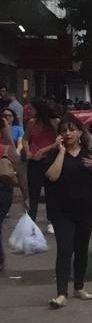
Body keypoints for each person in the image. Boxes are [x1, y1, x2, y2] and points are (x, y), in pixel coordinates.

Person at [44, 117, 92, 309]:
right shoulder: (54, 153)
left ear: (80, 133)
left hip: (85, 210)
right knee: (65, 250)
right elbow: (52, 176)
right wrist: (61, 152)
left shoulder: (90, 154)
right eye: (64, 130)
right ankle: (61, 294)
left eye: (72, 130)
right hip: (61, 212)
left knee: (81, 250)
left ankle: (79, 287)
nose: (68, 133)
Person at [24, 98, 61, 232]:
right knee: (33, 193)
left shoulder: (55, 122)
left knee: (51, 192)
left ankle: (51, 220)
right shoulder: (31, 123)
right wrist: (27, 151)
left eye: (32, 108)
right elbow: (25, 139)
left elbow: (59, 142)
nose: (29, 111)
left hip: (49, 160)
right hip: (34, 161)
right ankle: (30, 221)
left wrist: (44, 150)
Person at [0, 108, 26, 272]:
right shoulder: (6, 148)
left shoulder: (5, 149)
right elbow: (20, 171)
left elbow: (19, 169)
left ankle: (0, 259)